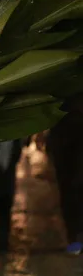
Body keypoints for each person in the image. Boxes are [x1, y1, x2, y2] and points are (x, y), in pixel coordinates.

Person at [47, 94, 83, 255]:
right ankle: (74, 236)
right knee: (69, 188)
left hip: (66, 133)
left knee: (74, 187)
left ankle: (75, 236)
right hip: (64, 134)